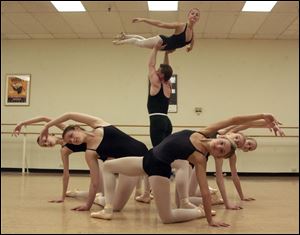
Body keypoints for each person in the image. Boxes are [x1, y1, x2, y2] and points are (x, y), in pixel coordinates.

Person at [91, 113, 280, 226]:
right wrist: (262, 116)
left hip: (158, 171)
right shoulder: (204, 132)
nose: (218, 146)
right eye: (221, 143)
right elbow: (234, 119)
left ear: (219, 156)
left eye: (221, 151)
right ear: (220, 138)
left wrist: (209, 219)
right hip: (145, 159)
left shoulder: (199, 158)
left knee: (167, 218)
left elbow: (205, 192)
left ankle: (195, 212)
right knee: (107, 166)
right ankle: (107, 208)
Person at [39, 112, 148, 212]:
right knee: (116, 207)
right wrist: (88, 205)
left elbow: (69, 115)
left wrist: (47, 126)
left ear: (77, 128)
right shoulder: (90, 153)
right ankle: (99, 199)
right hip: (128, 168)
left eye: (71, 136)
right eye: (70, 141)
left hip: (144, 153)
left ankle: (143, 192)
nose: (73, 140)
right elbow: (94, 182)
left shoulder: (98, 124)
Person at [188, 120, 285, 209]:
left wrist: (240, 197)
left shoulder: (227, 153)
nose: (247, 146)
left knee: (192, 193)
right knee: (189, 195)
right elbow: (247, 123)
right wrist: (268, 124)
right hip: (188, 151)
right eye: (249, 143)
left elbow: (230, 176)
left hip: (194, 161)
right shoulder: (228, 133)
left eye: (250, 148)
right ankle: (207, 194)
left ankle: (208, 194)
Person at [12, 116, 102, 203]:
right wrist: (62, 197)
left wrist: (22, 123)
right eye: (44, 145)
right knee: (99, 191)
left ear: (50, 134)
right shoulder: (64, 151)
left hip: (102, 145)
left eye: (45, 140)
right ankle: (74, 193)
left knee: (100, 190)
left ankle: (74, 193)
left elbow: (44, 118)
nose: (46, 144)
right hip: (98, 157)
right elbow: (66, 174)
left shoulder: (67, 130)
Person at [112, 8, 200, 52]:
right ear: (188, 15)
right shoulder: (180, 26)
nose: (194, 16)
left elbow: (190, 46)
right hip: (162, 41)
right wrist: (144, 19)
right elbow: (161, 24)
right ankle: (120, 42)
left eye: (197, 15)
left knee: (143, 40)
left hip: (164, 46)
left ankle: (124, 36)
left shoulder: (193, 35)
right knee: (140, 43)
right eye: (192, 13)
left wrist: (186, 48)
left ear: (198, 18)